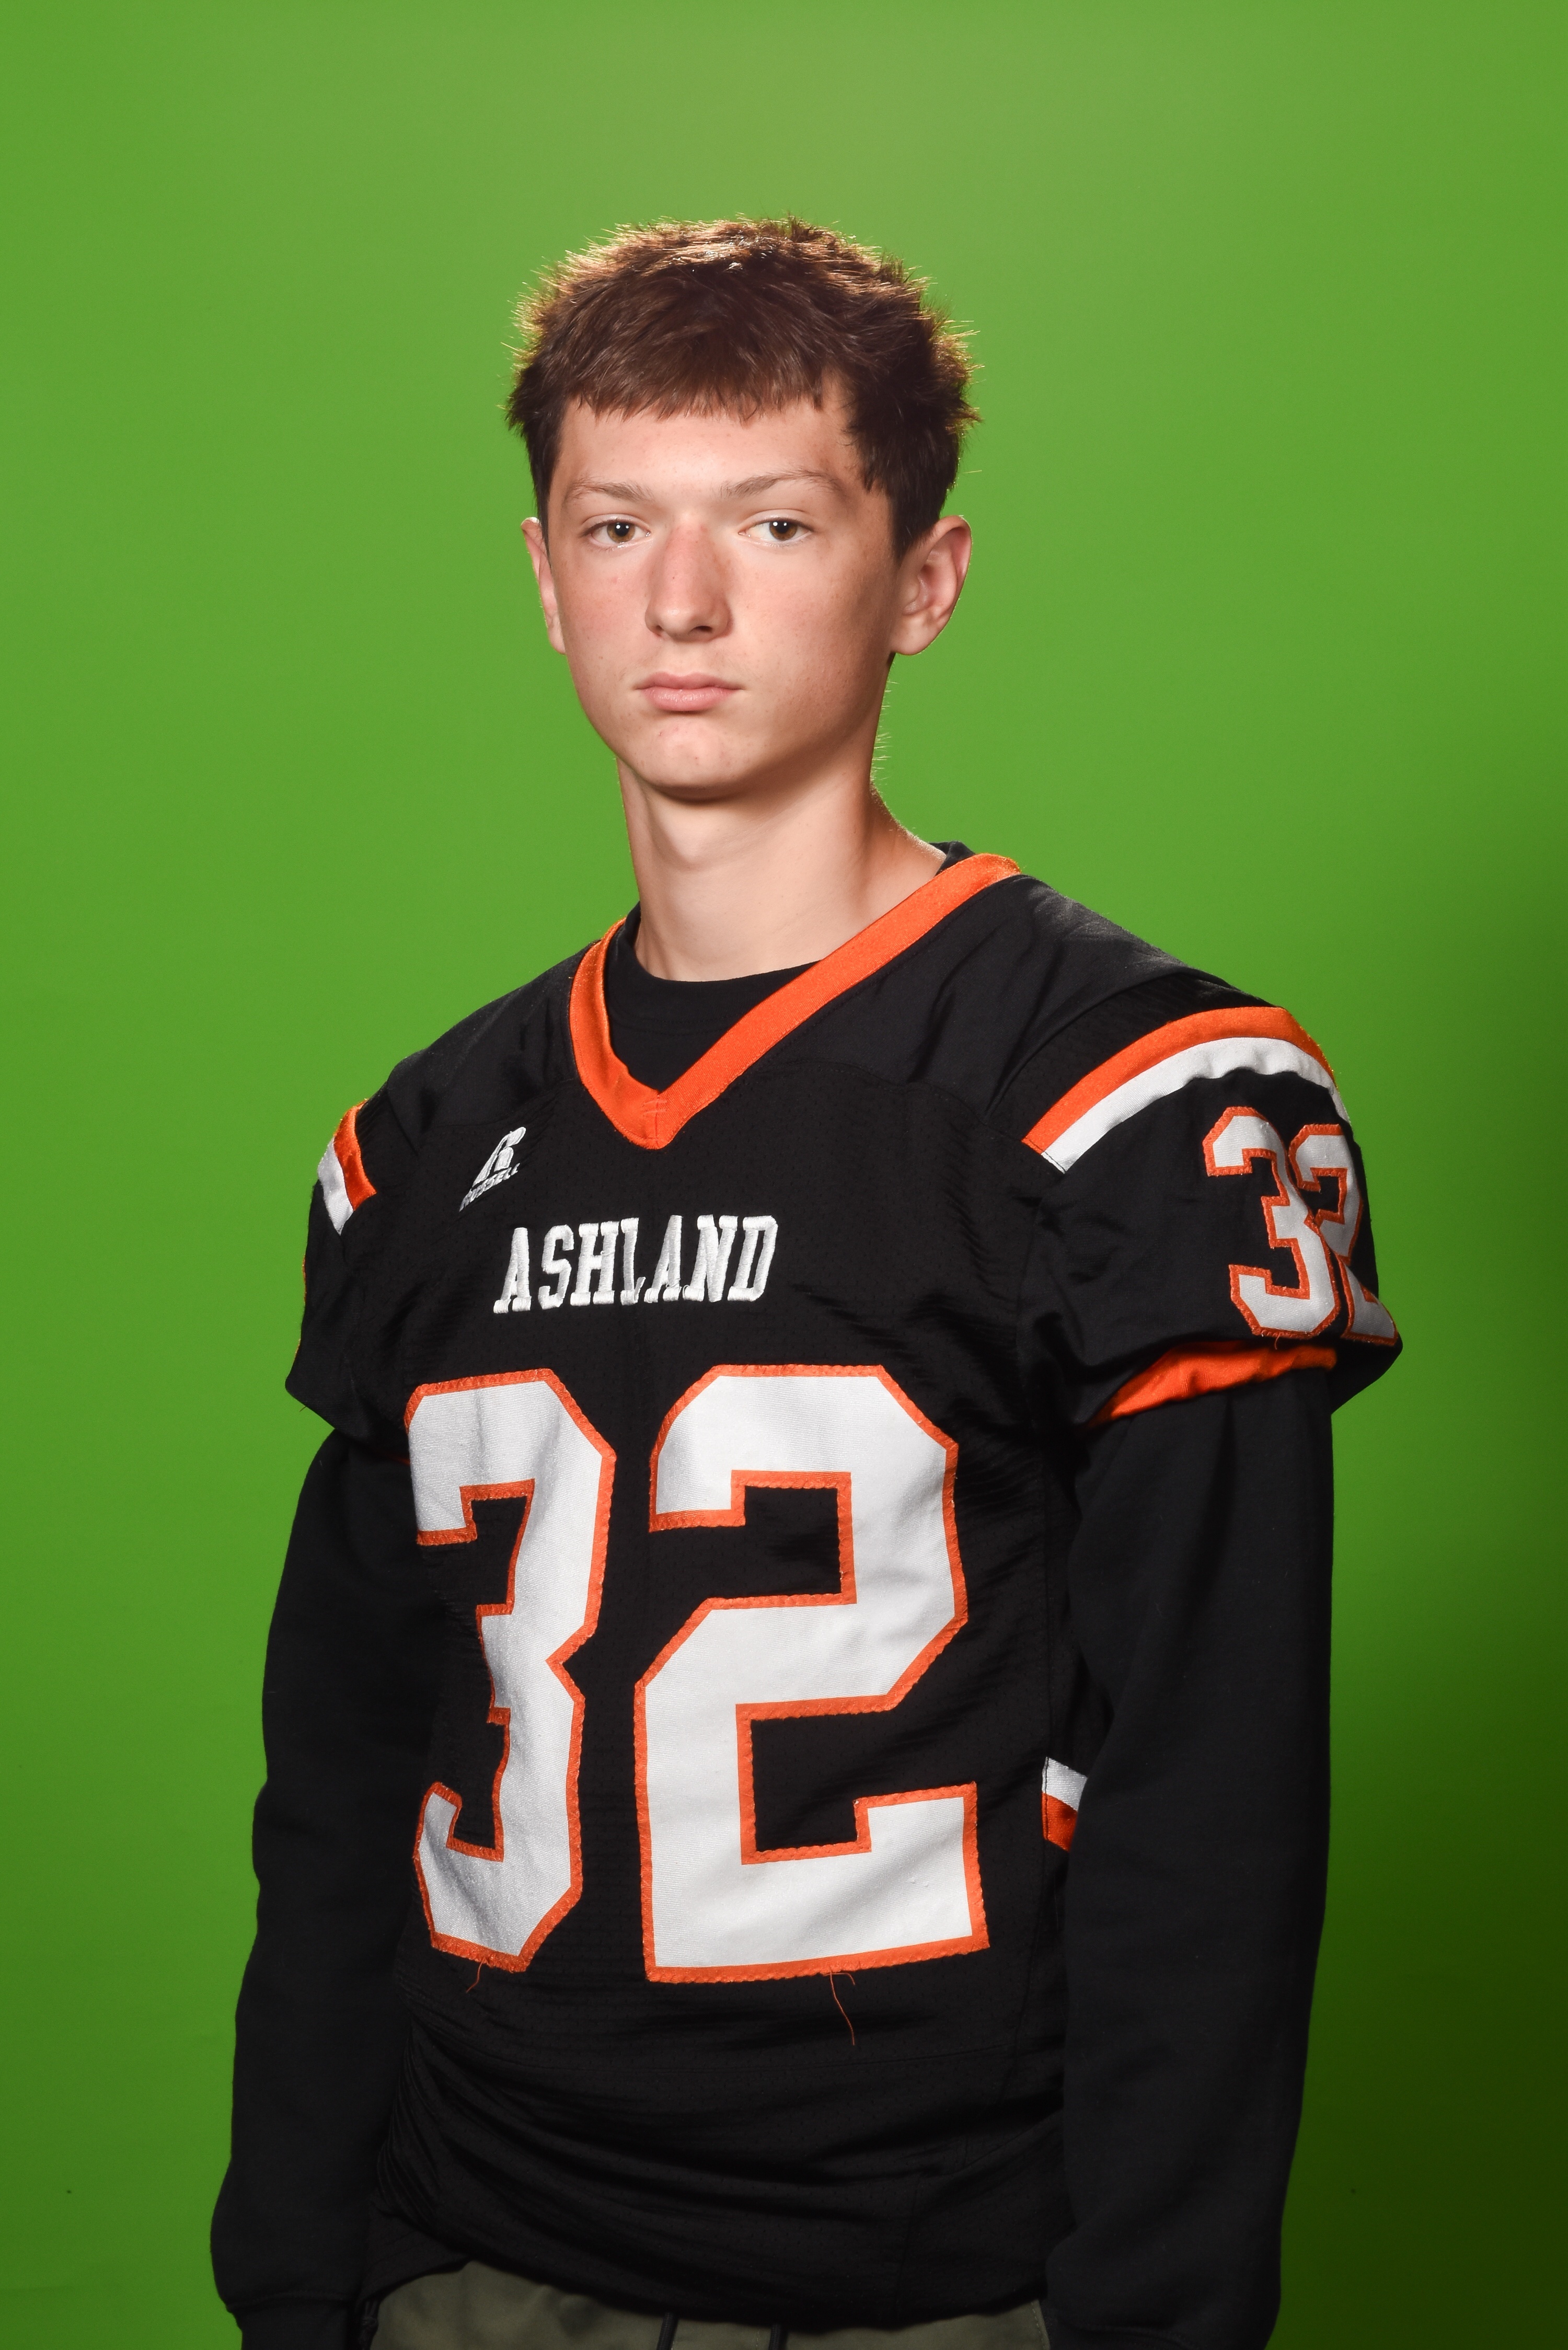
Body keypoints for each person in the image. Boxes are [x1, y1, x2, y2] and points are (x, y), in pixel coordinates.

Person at [212, 217, 1399, 2350]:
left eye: (774, 521)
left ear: (922, 578)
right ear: (545, 573)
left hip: (932, 2281)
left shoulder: (1128, 1101)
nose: (683, 601)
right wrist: (304, 2271)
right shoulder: (423, 1141)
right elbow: (344, 1775)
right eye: (619, 526)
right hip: (473, 2254)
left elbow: (1210, 1804)